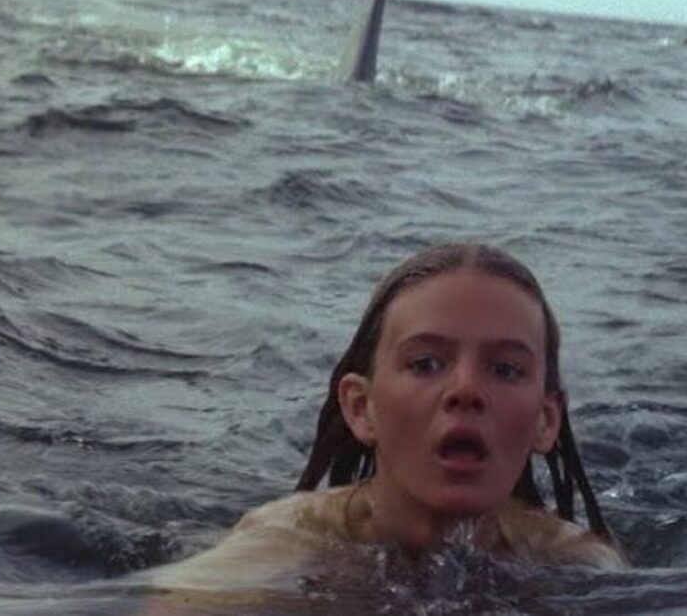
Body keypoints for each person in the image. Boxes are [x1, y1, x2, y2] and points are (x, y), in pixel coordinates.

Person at [146, 243, 627, 609]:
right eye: (425, 364)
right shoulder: (276, 555)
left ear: (544, 420)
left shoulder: (577, 565)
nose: (465, 390)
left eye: (505, 370)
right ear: (362, 408)